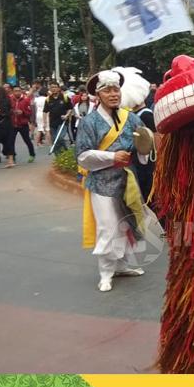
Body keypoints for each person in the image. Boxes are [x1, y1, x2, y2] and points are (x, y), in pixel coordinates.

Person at [77, 69, 151, 292]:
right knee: (108, 228)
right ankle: (106, 272)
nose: (113, 94)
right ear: (98, 95)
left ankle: (121, 265)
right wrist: (111, 157)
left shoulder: (131, 118)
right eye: (107, 90)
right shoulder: (89, 122)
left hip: (127, 180)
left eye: (116, 89)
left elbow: (143, 148)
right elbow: (82, 156)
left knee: (125, 225)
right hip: (102, 183)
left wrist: (143, 149)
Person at [43, 81, 73, 154]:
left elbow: (70, 108)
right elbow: (45, 111)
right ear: (49, 89)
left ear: (59, 88)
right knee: (54, 140)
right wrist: (45, 123)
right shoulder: (48, 99)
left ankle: (66, 151)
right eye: (52, 87)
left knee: (59, 138)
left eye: (55, 87)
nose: (54, 89)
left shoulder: (65, 97)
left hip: (63, 122)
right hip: (52, 123)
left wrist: (66, 115)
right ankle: (58, 156)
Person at [10, 85, 35, 163]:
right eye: (15, 91)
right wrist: (12, 112)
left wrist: (23, 112)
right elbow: (7, 110)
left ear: (21, 91)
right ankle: (12, 156)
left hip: (23, 124)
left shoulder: (26, 100)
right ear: (13, 92)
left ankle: (32, 154)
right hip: (13, 124)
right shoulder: (10, 99)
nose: (17, 92)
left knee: (27, 140)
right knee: (11, 141)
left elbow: (30, 112)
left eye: (18, 91)